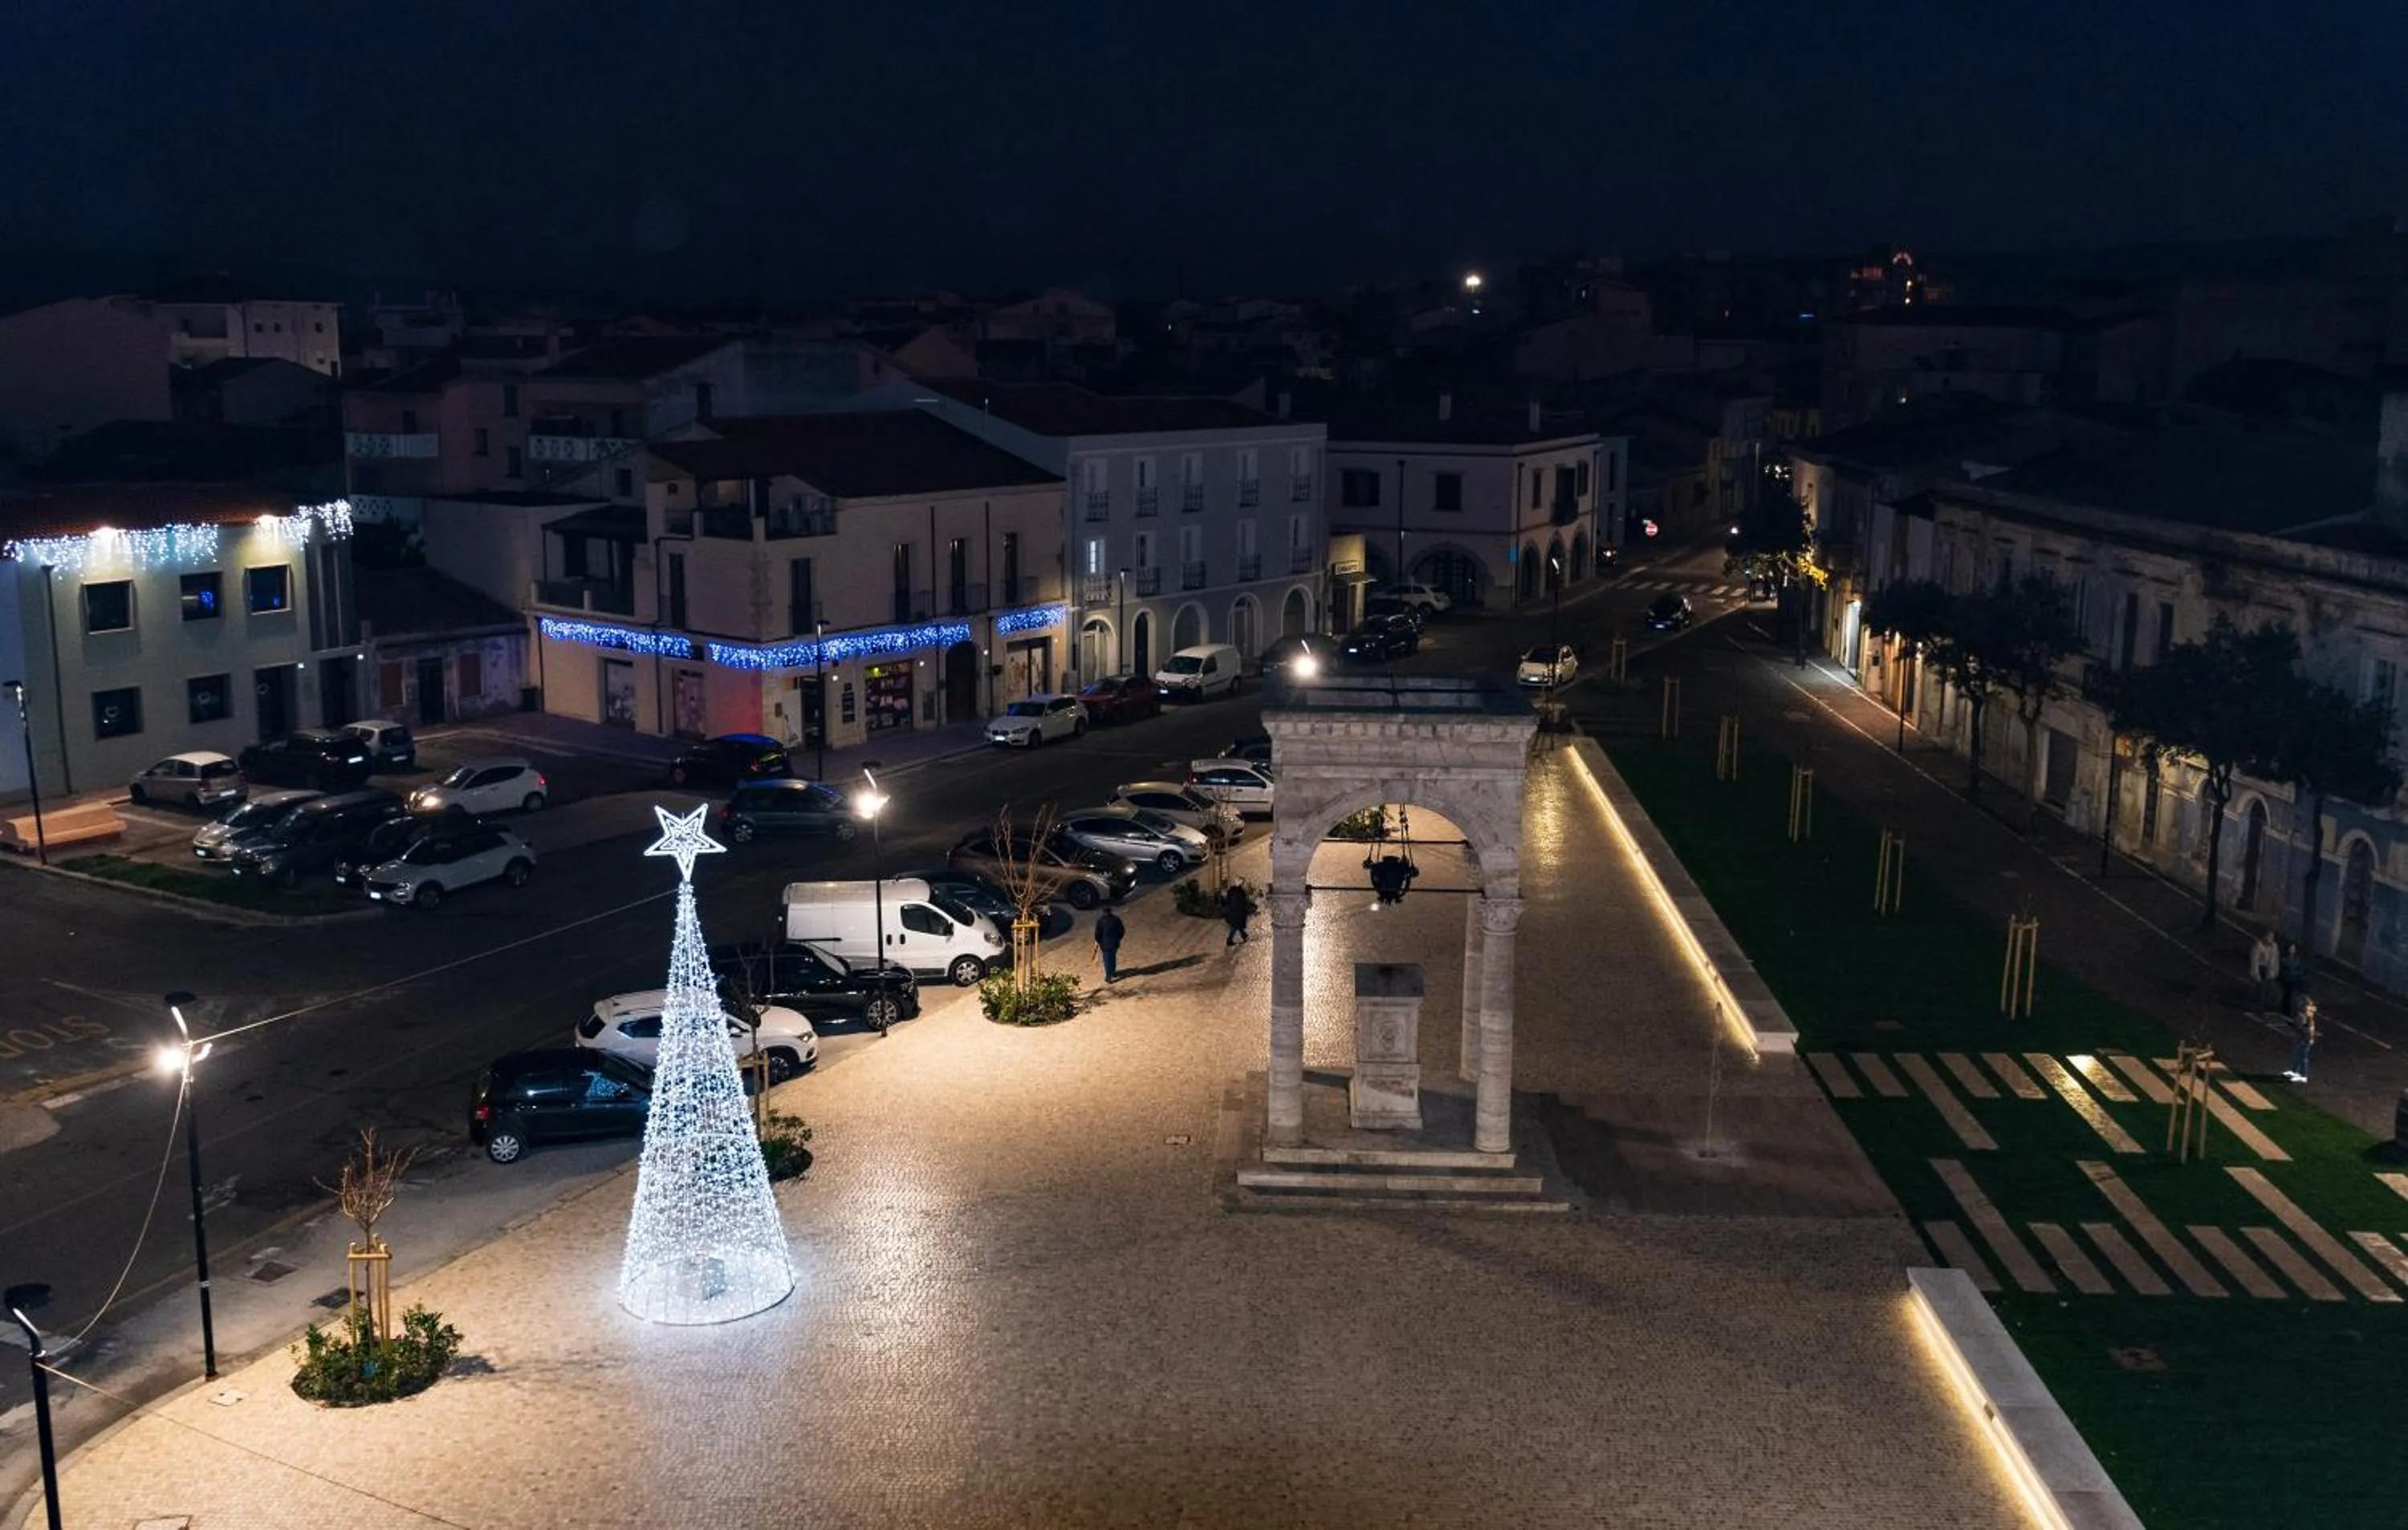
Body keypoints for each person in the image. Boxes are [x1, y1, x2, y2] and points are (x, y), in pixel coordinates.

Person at [2286, 998, 2320, 1083]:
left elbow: (2309, 1029)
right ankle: (2294, 1071)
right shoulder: (2303, 1014)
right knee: (2297, 1055)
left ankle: (2303, 1076)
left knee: (2303, 1057)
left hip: (2304, 1038)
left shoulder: (2308, 1016)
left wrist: (2310, 1038)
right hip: (2301, 1037)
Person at [2247, 930, 2280, 1010]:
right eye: (2269, 936)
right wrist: (2255, 973)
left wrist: (2276, 970)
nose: (2270, 938)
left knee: (2270, 988)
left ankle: (2267, 1005)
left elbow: (2276, 959)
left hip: (2270, 969)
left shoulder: (2274, 946)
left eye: (2272, 937)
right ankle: (2258, 1005)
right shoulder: (2259, 946)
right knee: (2261, 988)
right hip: (2261, 968)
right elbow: (2254, 960)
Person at [1092, 906, 1126, 983]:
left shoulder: (1100, 921)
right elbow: (1122, 931)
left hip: (1105, 944)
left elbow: (1097, 934)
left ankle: (1108, 975)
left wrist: (1100, 942)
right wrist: (1118, 938)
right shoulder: (1116, 919)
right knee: (1113, 957)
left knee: (1107, 959)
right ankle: (1113, 972)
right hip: (1114, 942)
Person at [2276, 942, 2304, 1019]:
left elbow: (2300, 970)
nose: (2292, 950)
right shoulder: (2284, 960)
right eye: (2291, 949)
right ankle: (2285, 1010)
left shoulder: (2297, 960)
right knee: (2287, 994)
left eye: (2293, 949)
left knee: (2294, 994)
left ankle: (2292, 1011)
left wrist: (2296, 975)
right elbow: (2282, 970)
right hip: (2286, 979)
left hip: (2294, 979)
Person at [1222, 882, 1253, 946]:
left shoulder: (1232, 893)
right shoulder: (1239, 893)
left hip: (1233, 912)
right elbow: (1242, 903)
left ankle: (1244, 936)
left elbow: (1228, 902)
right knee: (1235, 926)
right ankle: (1229, 940)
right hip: (1237, 912)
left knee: (1237, 925)